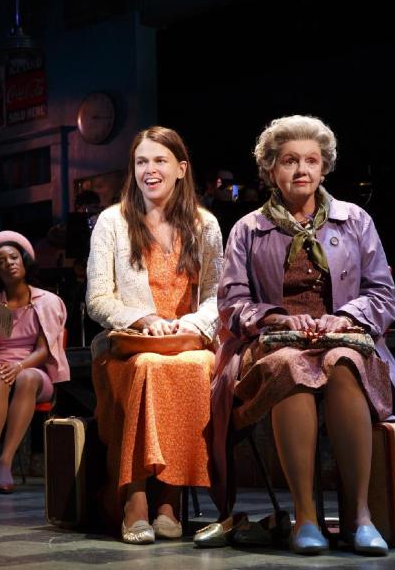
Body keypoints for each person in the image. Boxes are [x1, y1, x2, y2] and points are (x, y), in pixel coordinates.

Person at [209, 115, 395, 556]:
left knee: (344, 363)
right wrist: (275, 318)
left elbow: (382, 293)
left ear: (324, 168)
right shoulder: (247, 228)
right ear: (271, 170)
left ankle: (360, 517)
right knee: (291, 368)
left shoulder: (354, 220)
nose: (301, 169)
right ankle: (305, 517)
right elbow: (230, 302)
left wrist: (346, 318)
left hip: (344, 340)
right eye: (289, 161)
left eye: (311, 160)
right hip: (274, 345)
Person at [87, 126, 223, 544]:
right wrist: (143, 318)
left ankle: (170, 494)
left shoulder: (206, 225)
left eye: (160, 160)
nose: (150, 169)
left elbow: (221, 295)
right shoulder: (113, 221)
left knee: (196, 366)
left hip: (187, 342)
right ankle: (138, 497)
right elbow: (97, 298)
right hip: (130, 346)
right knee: (149, 366)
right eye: (142, 161)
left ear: (181, 169)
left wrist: (192, 324)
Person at [0, 231, 69, 494]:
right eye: (1, 261)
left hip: (33, 368)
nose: (9, 263)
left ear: (24, 262)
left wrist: (20, 366)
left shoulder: (47, 301)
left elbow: (45, 350)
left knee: (27, 378)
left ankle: (5, 461)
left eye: (14, 257)